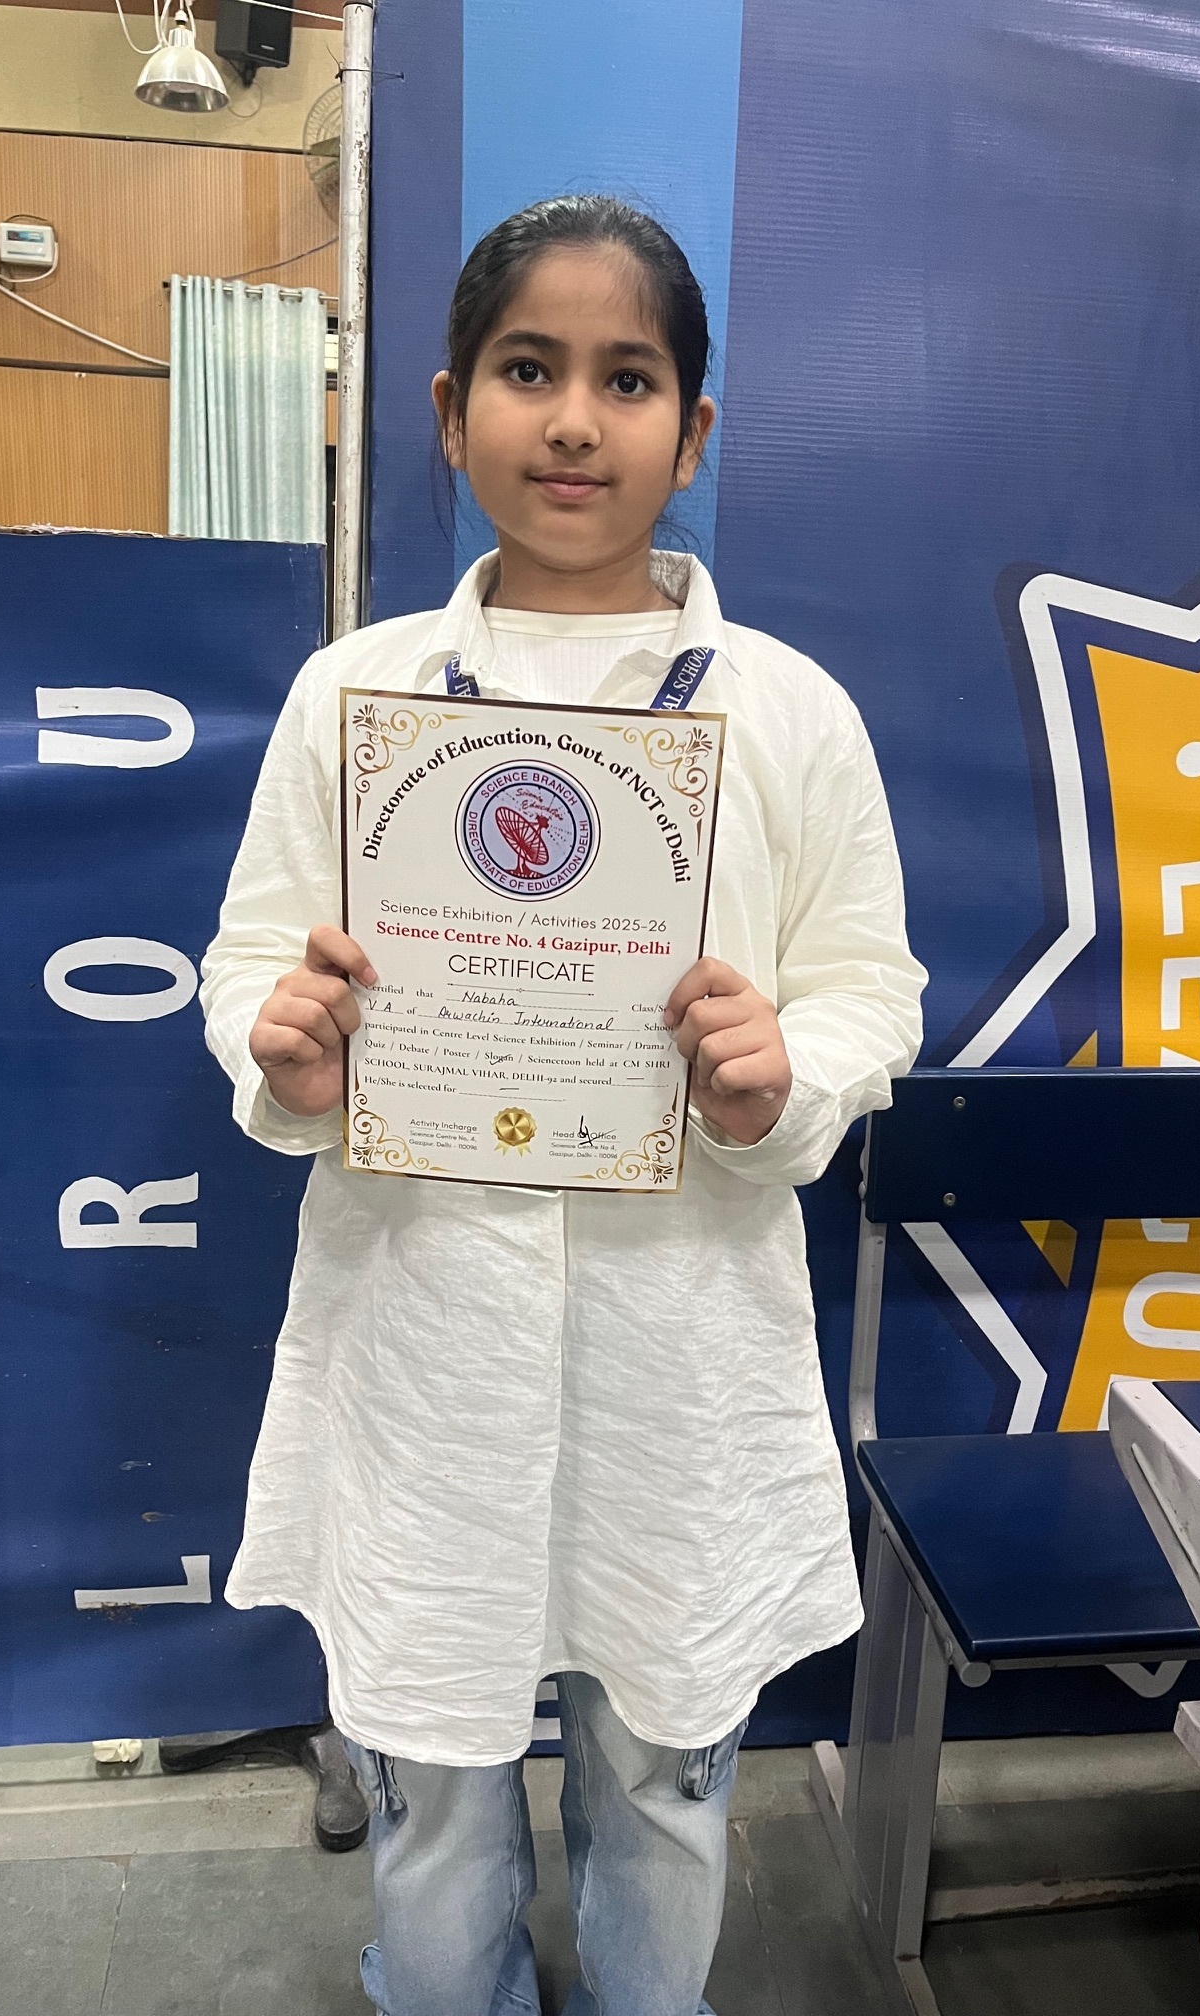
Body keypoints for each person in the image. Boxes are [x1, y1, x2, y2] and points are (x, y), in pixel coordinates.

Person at [200, 194, 926, 2016]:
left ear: (696, 429)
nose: (577, 421)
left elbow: (871, 986)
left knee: (670, 1779)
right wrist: (283, 1051)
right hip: (424, 1331)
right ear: (452, 413)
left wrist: (788, 1073)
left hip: (680, 1344)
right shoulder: (357, 697)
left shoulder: (790, 715)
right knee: (434, 1780)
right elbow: (249, 959)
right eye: (530, 371)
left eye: (630, 378)